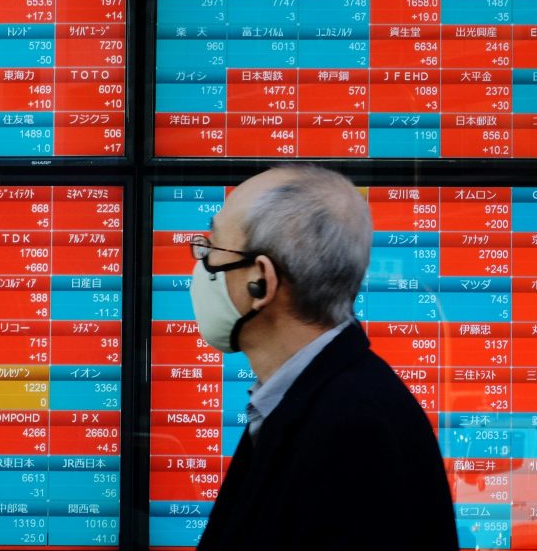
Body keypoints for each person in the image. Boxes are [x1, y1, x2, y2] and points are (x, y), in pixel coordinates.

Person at [188, 166, 459, 550]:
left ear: (260, 280)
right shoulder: (308, 400)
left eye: (211, 250)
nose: (202, 266)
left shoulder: (354, 430)